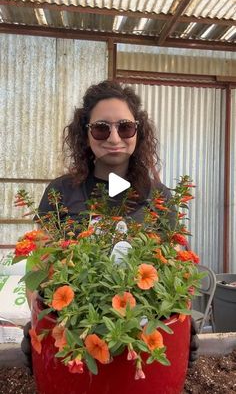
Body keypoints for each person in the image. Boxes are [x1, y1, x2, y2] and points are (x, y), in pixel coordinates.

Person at [22, 80, 199, 371]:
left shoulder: (160, 196)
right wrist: (41, 319)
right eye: (101, 128)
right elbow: (37, 267)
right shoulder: (62, 192)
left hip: (142, 340)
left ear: (138, 131)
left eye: (125, 127)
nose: (114, 137)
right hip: (74, 338)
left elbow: (178, 265)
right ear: (86, 133)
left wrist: (179, 323)